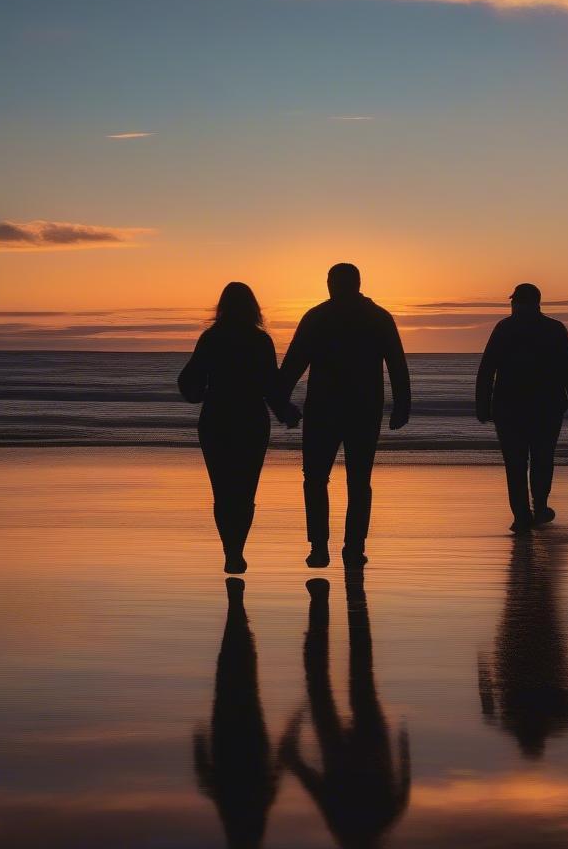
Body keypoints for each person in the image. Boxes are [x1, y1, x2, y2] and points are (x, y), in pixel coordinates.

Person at [278, 263, 410, 569]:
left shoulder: (317, 317)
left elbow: (293, 365)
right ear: (358, 284)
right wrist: (402, 405)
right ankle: (352, 548)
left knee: (315, 479)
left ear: (330, 284)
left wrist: (280, 402)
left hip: (324, 409)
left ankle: (320, 547)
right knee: (358, 481)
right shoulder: (378, 317)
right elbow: (398, 366)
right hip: (364, 409)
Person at [280, 573, 411, 848]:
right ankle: (324, 603)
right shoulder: (345, 825)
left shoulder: (382, 819)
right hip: (344, 753)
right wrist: (292, 751)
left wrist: (402, 741)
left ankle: (349, 596)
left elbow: (404, 786)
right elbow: (313, 784)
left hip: (367, 747)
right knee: (322, 683)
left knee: (359, 674)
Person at [179, 282, 301, 573]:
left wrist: (200, 394)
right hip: (250, 419)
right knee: (245, 491)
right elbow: (272, 386)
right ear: (253, 308)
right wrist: (285, 412)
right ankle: (238, 550)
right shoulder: (260, 341)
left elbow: (188, 380)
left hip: (217, 418)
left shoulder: (211, 338)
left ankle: (230, 551)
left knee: (222, 491)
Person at [475, 283, 568, 533]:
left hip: (515, 407)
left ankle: (525, 514)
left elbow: (486, 369)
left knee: (518, 463)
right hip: (542, 407)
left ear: (531, 303)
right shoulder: (553, 329)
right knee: (540, 459)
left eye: (517, 302)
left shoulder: (506, 328)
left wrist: (483, 404)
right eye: (514, 302)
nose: (514, 306)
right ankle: (536, 508)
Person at [478, 537, 568, 758]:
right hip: (532, 650)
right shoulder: (557, 718)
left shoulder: (516, 720)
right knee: (532, 593)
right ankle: (533, 542)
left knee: (527, 593)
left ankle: (528, 542)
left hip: (522, 652)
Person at [194, 578, 279, 849]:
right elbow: (204, 771)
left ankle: (236, 608)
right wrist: (199, 740)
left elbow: (275, 768)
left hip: (239, 734)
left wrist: (199, 741)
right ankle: (237, 609)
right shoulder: (250, 798)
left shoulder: (247, 798)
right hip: (240, 733)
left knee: (238, 678)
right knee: (237, 680)